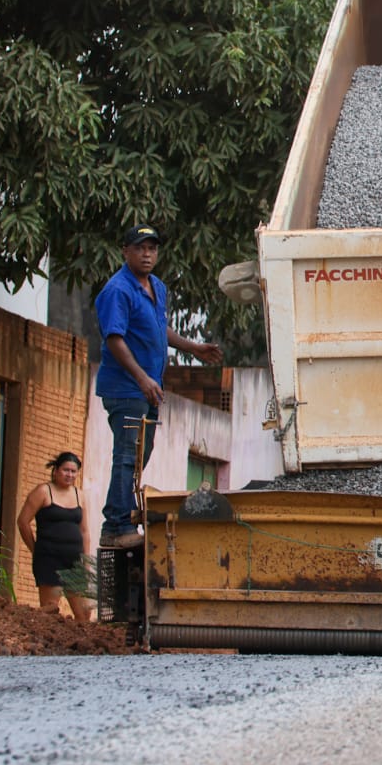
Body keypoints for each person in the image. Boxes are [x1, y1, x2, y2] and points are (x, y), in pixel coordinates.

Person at [95, 224, 222, 549]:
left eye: (152, 248)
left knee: (141, 453)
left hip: (148, 388)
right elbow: (114, 339)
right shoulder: (117, 290)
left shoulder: (157, 287)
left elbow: (158, 328)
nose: (147, 254)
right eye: (140, 248)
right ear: (126, 251)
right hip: (126, 389)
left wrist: (192, 347)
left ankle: (121, 515)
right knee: (127, 455)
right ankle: (116, 525)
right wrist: (141, 377)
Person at [16, 452, 95, 621]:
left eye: (73, 472)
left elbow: (85, 531)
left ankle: (80, 646)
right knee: (50, 610)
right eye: (66, 470)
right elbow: (23, 522)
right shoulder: (43, 491)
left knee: (85, 613)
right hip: (49, 560)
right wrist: (35, 549)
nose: (69, 475)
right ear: (56, 470)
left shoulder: (79, 495)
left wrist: (86, 561)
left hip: (73, 562)